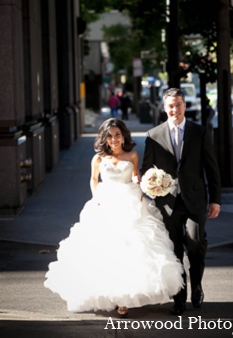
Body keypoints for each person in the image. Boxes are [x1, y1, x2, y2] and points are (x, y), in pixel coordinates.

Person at [44, 118, 184, 318]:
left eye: (117, 135)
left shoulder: (133, 155)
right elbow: (94, 179)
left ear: (123, 135)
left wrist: (146, 185)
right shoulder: (99, 158)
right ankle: (113, 295)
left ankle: (124, 299)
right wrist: (97, 198)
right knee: (107, 248)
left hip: (131, 201)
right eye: (110, 136)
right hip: (106, 201)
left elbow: (136, 176)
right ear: (105, 138)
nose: (114, 139)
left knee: (132, 247)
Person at [141, 88, 221, 316]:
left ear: (184, 105)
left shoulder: (199, 132)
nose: (174, 109)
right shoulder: (153, 135)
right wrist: (153, 186)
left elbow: (211, 168)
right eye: (170, 106)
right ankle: (179, 296)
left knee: (195, 243)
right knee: (174, 250)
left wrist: (215, 200)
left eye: (178, 105)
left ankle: (196, 284)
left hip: (195, 200)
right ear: (164, 108)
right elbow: (146, 170)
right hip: (167, 203)